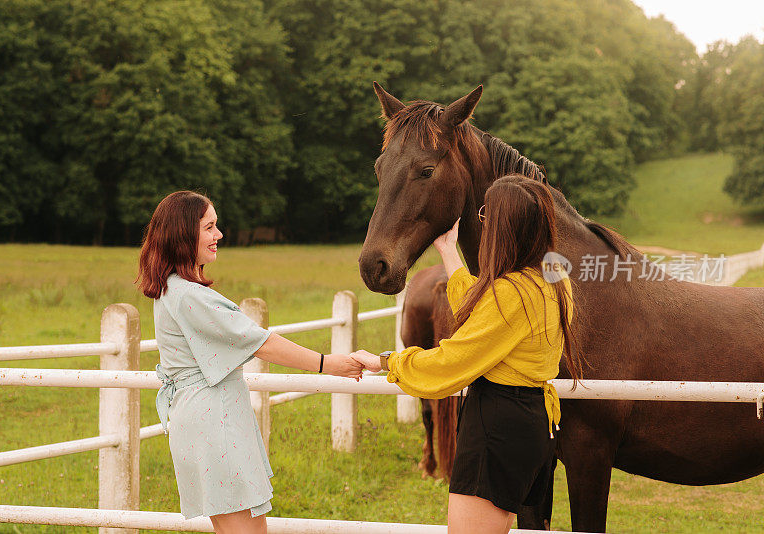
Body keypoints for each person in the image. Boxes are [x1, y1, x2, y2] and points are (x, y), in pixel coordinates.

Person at [352, 175, 580, 534]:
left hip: (497, 428)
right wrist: (449, 251)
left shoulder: (512, 294)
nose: (483, 222)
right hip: (533, 425)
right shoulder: (554, 281)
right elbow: (485, 314)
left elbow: (450, 363)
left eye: (488, 215)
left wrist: (386, 362)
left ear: (504, 228)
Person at [137, 191, 363, 534]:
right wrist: (328, 363)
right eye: (209, 227)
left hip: (207, 417)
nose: (219, 235)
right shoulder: (189, 295)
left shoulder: (174, 289)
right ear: (183, 234)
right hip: (214, 421)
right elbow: (261, 342)